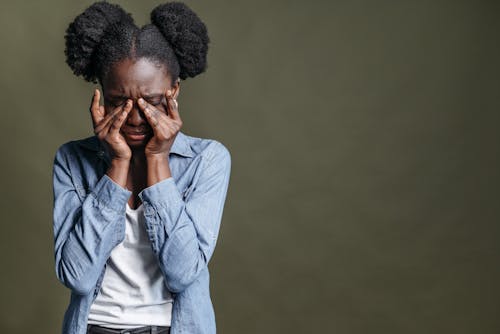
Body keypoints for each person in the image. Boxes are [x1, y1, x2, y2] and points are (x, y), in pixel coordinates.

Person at [52, 2, 231, 333]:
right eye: (119, 102)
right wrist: (118, 164)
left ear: (173, 91)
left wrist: (158, 159)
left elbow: (182, 273)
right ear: (101, 96)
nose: (134, 118)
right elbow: (77, 277)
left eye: (150, 102)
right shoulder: (71, 160)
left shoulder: (208, 159)